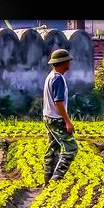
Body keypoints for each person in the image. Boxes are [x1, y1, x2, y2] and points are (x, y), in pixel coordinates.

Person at [42, 48, 77, 185]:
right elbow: (59, 102)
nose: (70, 63)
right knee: (71, 148)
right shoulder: (58, 79)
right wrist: (67, 122)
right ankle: (56, 180)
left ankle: (47, 180)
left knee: (53, 147)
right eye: (68, 61)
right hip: (56, 119)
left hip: (48, 117)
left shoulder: (51, 76)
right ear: (63, 63)